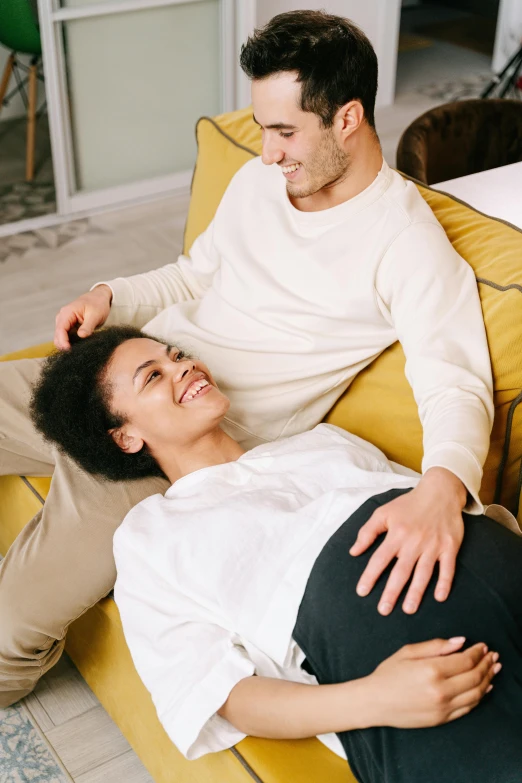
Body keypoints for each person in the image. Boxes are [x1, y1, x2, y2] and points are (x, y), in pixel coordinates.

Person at [0, 11, 494, 707]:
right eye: (264, 129)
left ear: (348, 119)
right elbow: (194, 274)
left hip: (176, 444)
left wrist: (443, 487)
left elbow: (455, 382)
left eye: (285, 131)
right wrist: (112, 295)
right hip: (130, 369)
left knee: (8, 625)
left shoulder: (404, 242)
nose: (266, 153)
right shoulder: (263, 182)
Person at [29, 327, 522, 783]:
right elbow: (217, 694)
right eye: (154, 375)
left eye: (177, 354)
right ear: (126, 436)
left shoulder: (324, 442)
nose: (184, 366)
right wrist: (375, 699)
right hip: (415, 659)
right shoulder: (151, 534)